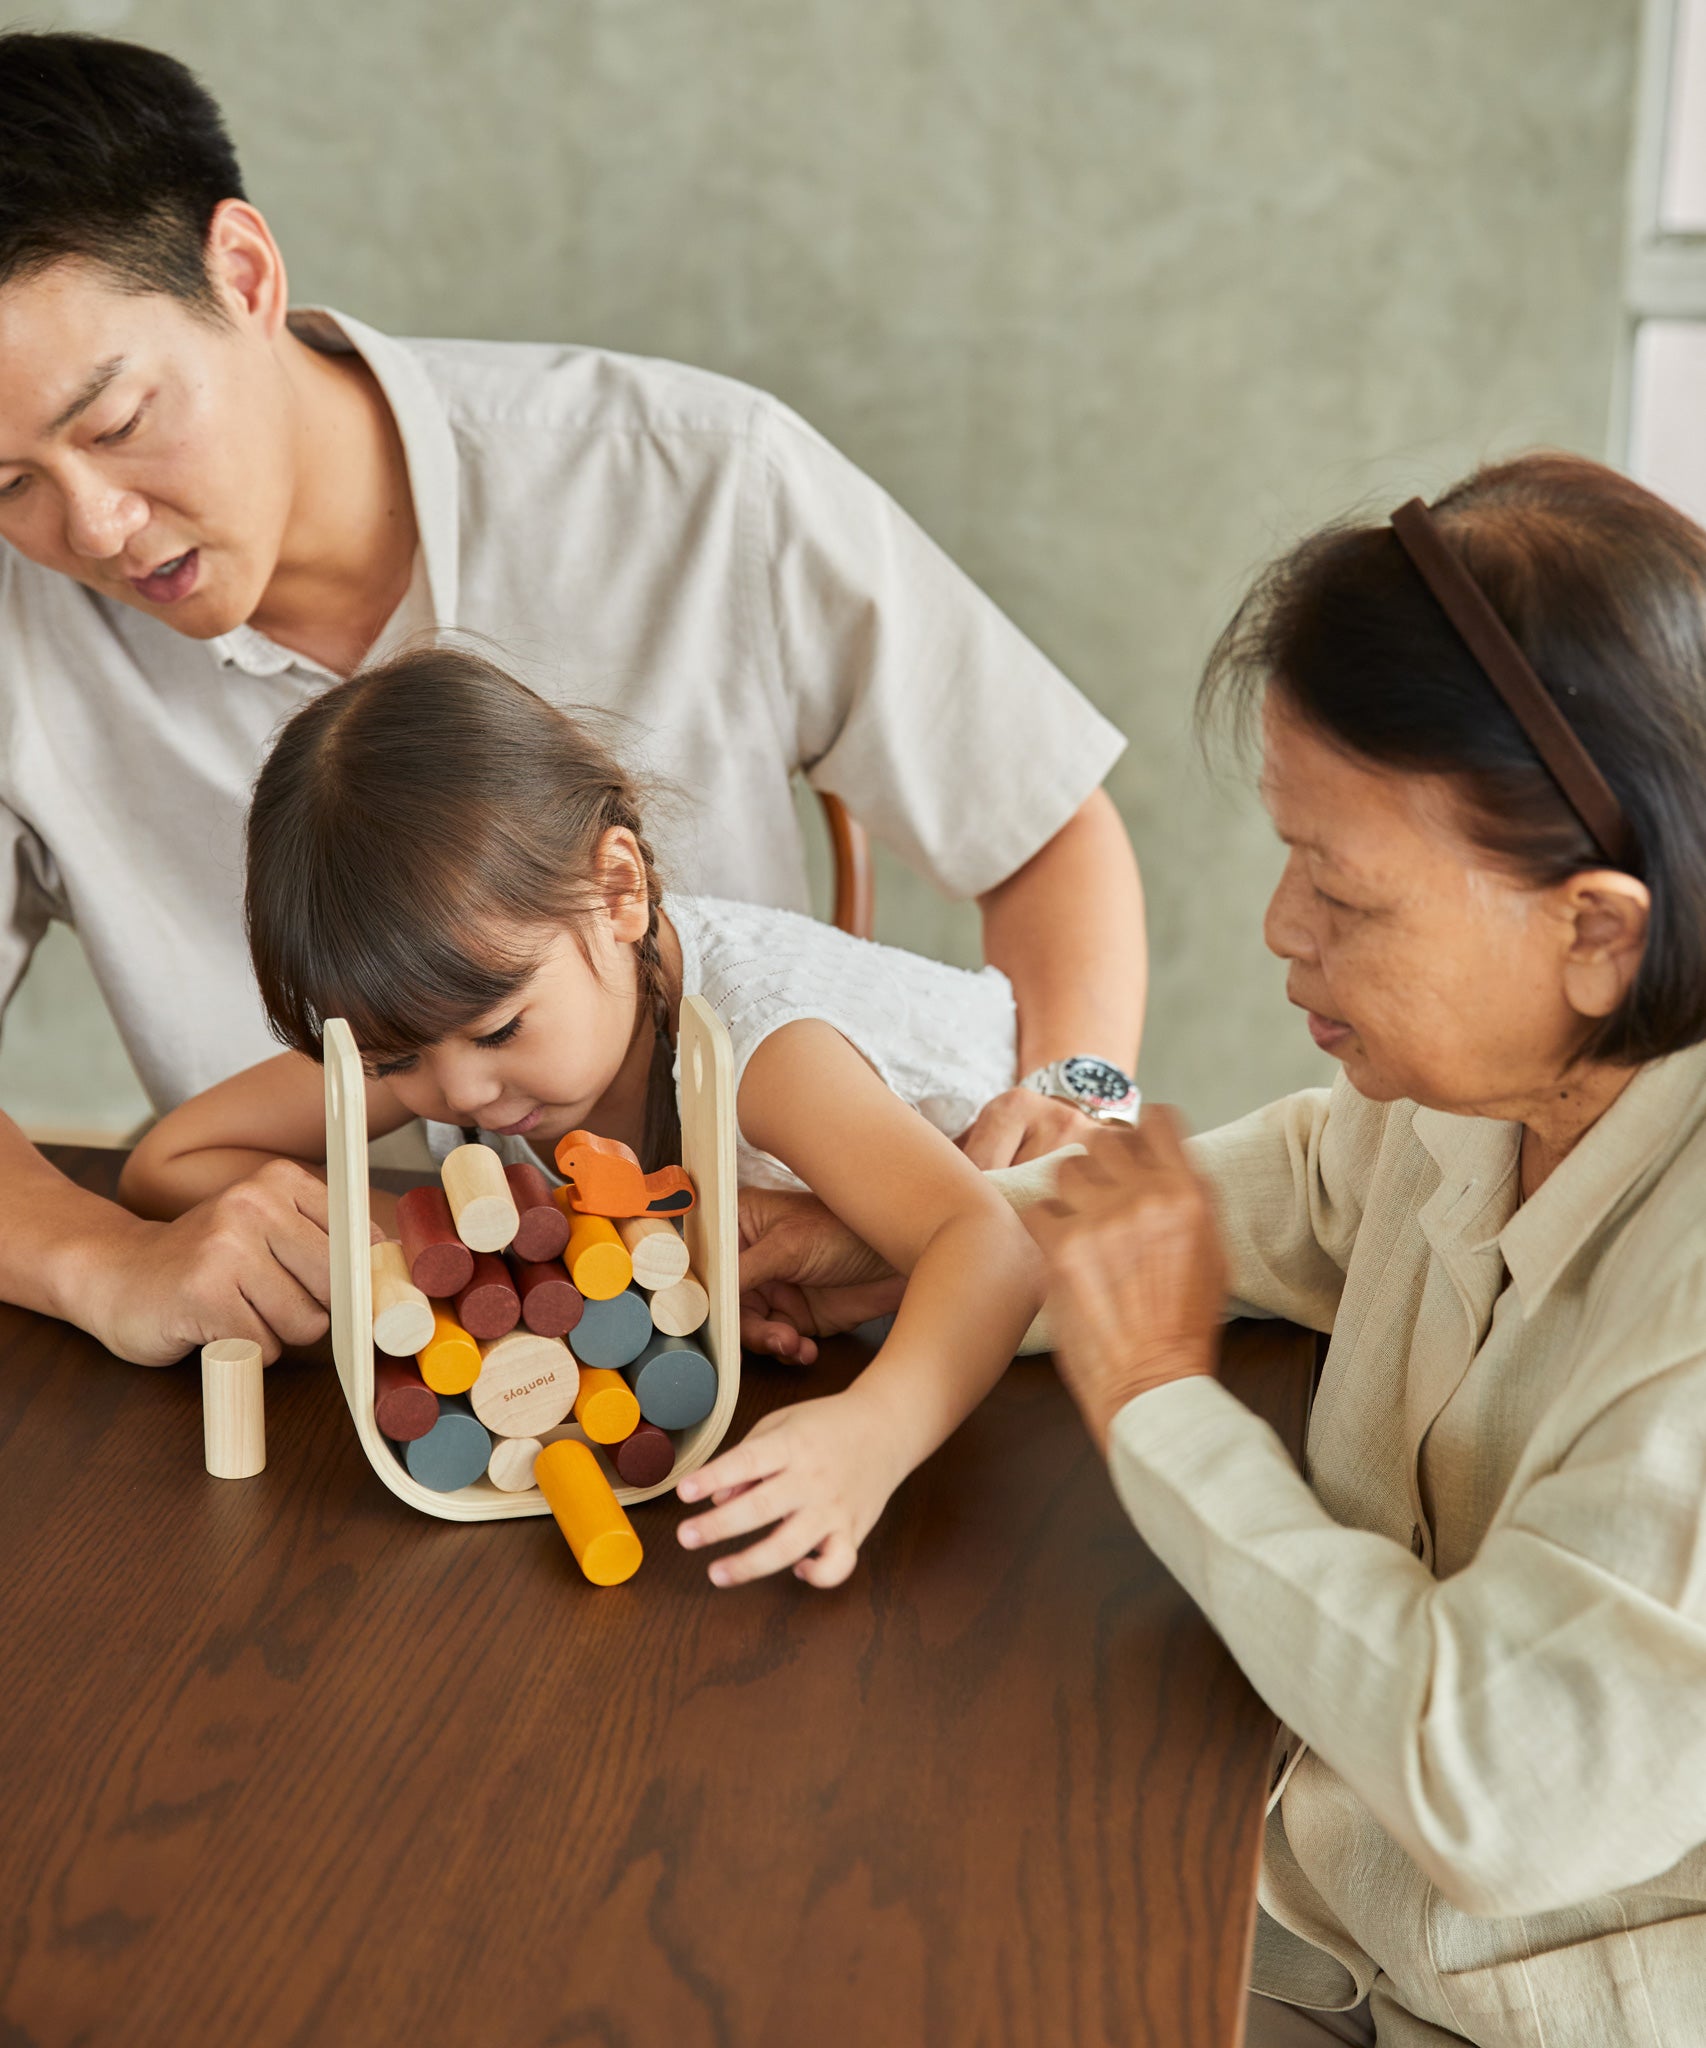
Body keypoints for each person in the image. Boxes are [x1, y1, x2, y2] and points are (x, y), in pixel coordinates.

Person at [0, 31, 1144, 1368]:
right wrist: (103, 1262)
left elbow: (1042, 827)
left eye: (120, 421)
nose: (96, 525)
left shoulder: (693, 478)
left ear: (241, 274)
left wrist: (1067, 1099)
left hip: (772, 1335)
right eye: (5, 485)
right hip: (387, 1383)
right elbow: (172, 1194)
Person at [745, 454, 1706, 2043]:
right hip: (1304, 1915)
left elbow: (1498, 1787)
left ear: (1595, 933)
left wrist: (1157, 1405)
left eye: (1341, 891)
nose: (1277, 928)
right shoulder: (1471, 1085)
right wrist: (922, 1240)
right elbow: (1277, 1195)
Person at [121, 644, 1047, 1586]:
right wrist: (380, 1271)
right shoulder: (451, 1010)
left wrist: (873, 1435)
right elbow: (176, 1157)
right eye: (398, 1060)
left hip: (1054, 1271)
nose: (460, 1095)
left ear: (617, 894)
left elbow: (993, 1245)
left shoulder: (767, 1054)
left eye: (499, 1030)